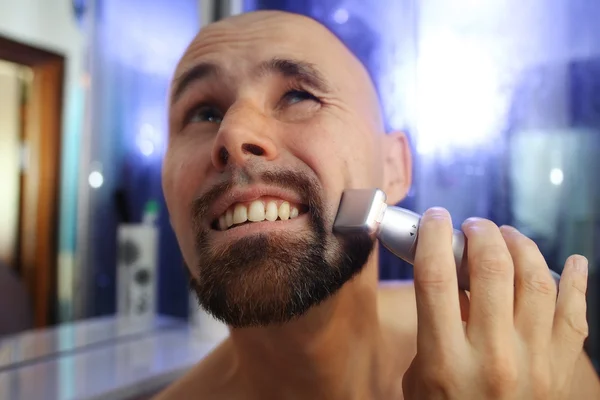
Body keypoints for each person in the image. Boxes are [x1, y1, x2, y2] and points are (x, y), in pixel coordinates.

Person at [157, 10, 600, 399]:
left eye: (298, 96)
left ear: (394, 167)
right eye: (203, 113)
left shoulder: (527, 364)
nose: (232, 135)